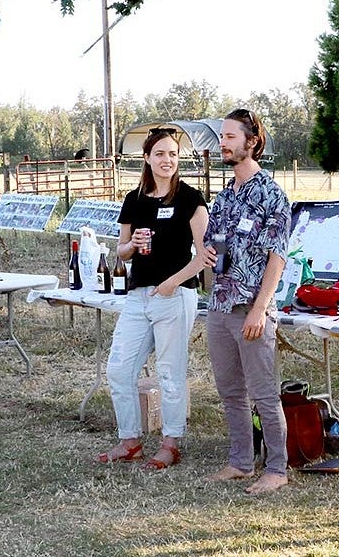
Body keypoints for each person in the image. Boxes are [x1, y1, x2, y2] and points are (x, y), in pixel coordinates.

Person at [97, 127, 208, 470]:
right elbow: (123, 251)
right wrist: (131, 246)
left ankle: (171, 442)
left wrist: (172, 283)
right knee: (119, 368)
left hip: (174, 296)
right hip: (138, 296)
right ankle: (130, 440)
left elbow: (205, 256)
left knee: (169, 372)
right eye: (160, 154)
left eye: (173, 154)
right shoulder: (134, 199)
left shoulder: (191, 198)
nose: (167, 160)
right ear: (146, 158)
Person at [201, 108, 291, 495]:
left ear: (251, 142)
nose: (223, 143)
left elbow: (278, 256)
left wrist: (260, 308)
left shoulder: (271, 195)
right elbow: (211, 248)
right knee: (230, 392)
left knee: (264, 394)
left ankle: (277, 468)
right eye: (221, 137)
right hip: (219, 308)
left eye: (230, 137)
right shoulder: (223, 197)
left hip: (252, 311)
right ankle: (240, 461)